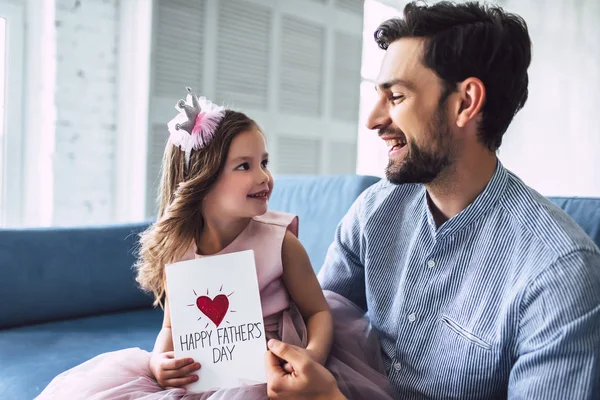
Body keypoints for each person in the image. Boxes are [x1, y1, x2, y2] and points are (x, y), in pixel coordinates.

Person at [265, 2, 600, 399]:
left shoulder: (558, 274)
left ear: (465, 102)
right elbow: (308, 323)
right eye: (378, 94)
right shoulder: (374, 212)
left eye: (397, 96)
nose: (372, 120)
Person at [36, 89, 393, 399]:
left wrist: (313, 357)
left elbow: (317, 312)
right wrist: (160, 361)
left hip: (277, 370)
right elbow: (171, 329)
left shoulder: (278, 241)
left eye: (264, 163)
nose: (264, 177)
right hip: (208, 373)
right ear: (201, 180)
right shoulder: (180, 250)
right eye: (244, 166)